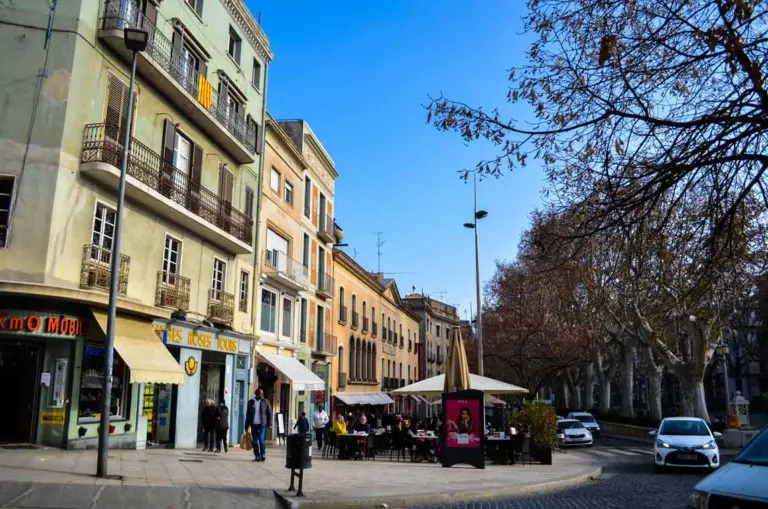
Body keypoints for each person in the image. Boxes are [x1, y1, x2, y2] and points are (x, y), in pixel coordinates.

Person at [245, 389, 272, 462]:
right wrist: (246, 426)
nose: (262, 394)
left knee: (261, 440)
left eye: (262, 393)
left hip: (262, 424)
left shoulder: (265, 401)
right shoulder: (251, 402)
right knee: (254, 441)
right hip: (253, 425)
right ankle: (257, 455)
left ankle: (263, 454)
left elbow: (269, 412)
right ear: (256, 394)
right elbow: (248, 414)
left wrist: (270, 424)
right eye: (260, 393)